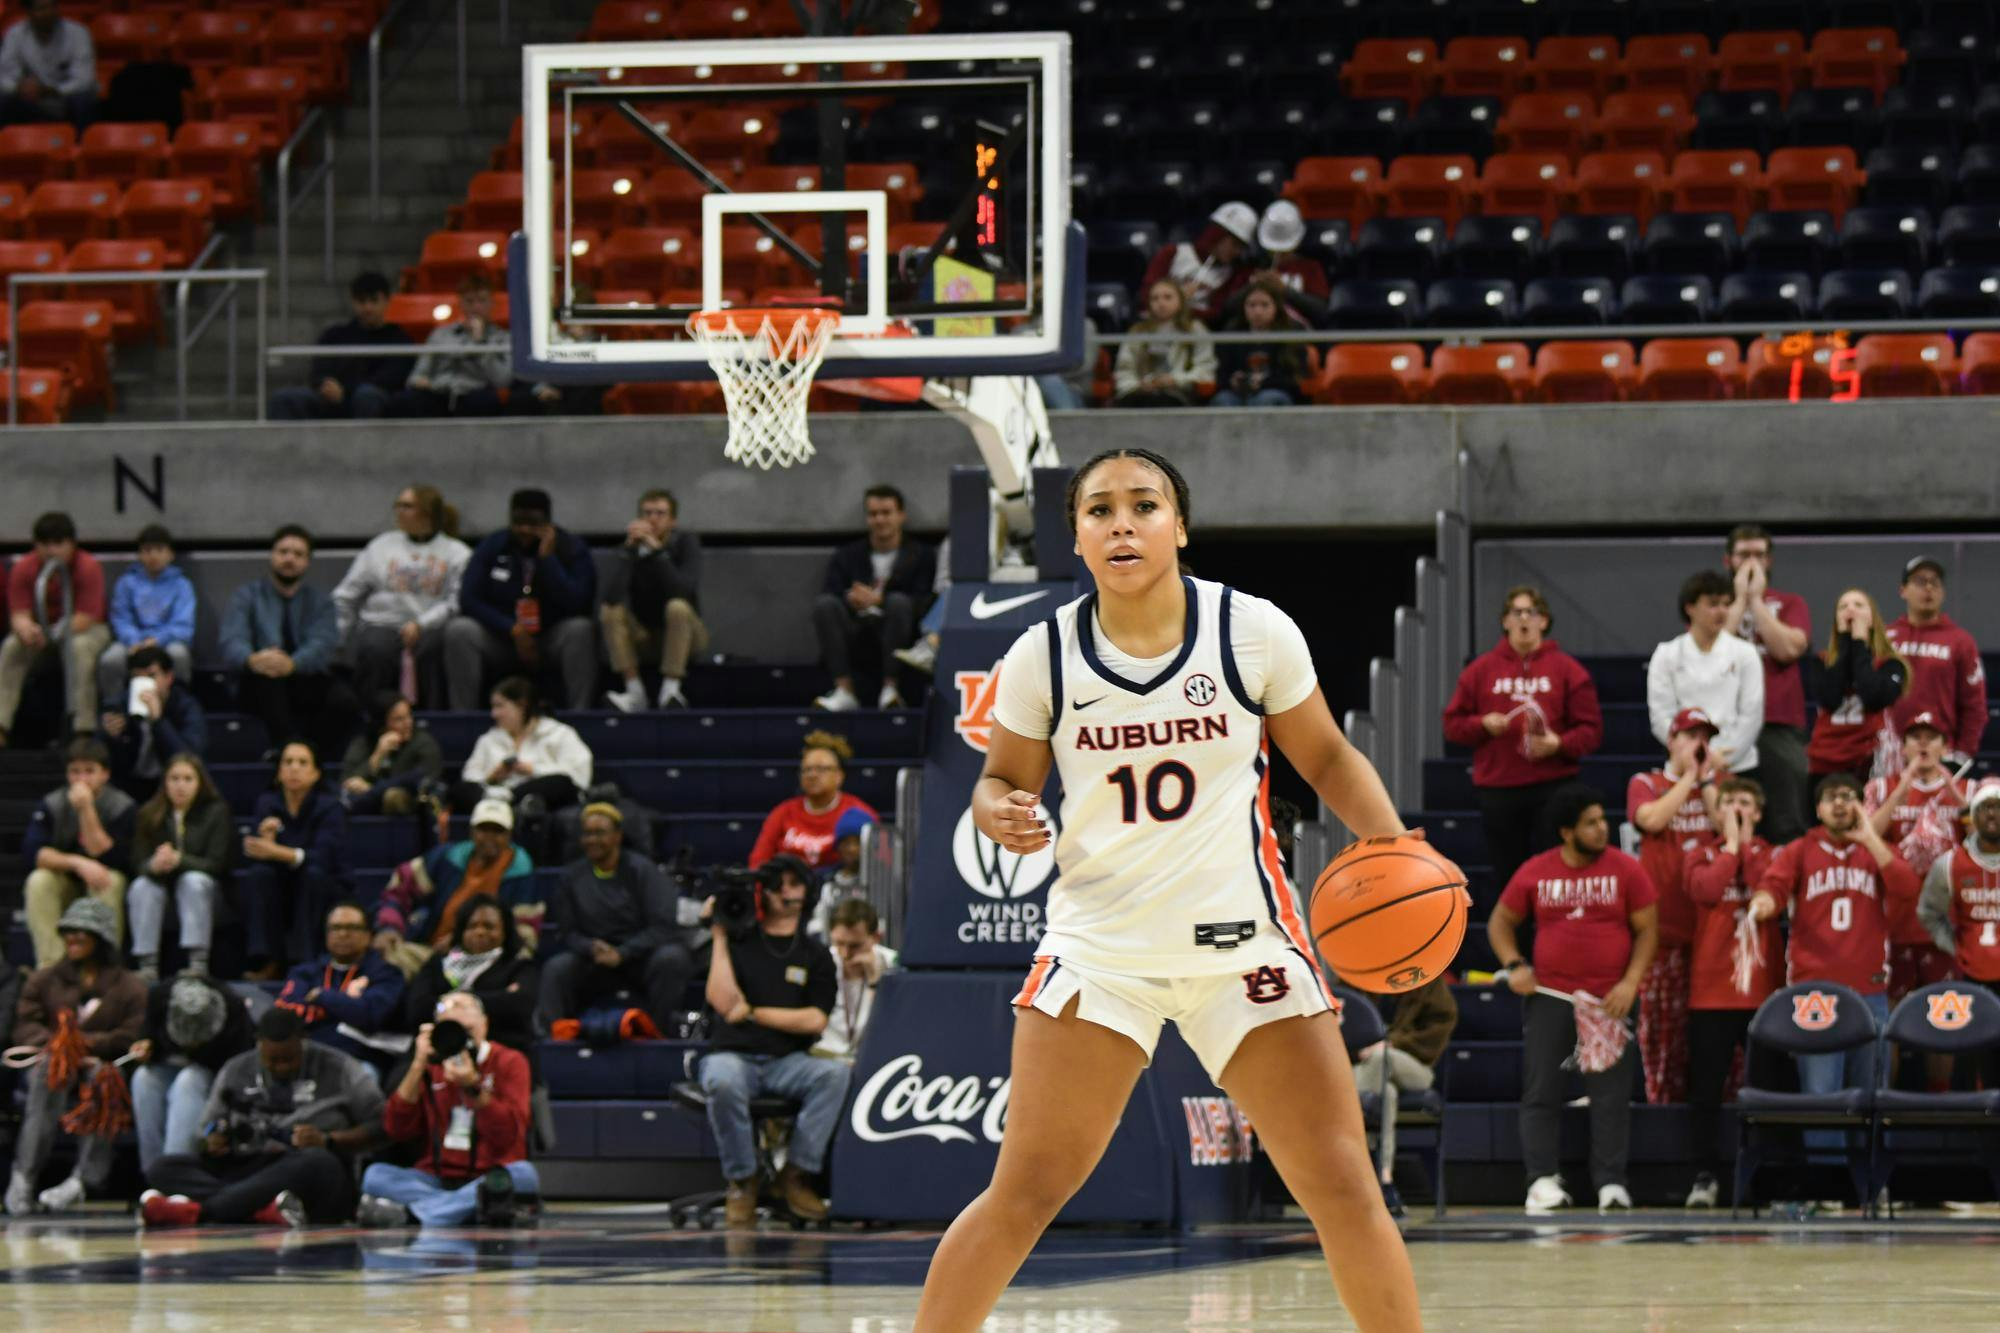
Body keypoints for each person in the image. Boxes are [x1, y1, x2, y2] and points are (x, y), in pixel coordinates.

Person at [914, 449, 1422, 1330]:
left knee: (1342, 1183)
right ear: (1075, 535)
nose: (1122, 522)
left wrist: (1394, 844)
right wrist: (999, 812)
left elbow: (1328, 756)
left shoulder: (1252, 630)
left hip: (1244, 946)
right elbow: (998, 780)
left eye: (1143, 505)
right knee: (1025, 1189)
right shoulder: (1044, 654)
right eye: (1100, 509)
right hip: (1102, 950)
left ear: (1178, 527)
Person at [1487, 786, 1658, 1216]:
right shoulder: (1536, 871)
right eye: (1591, 823)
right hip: (1552, 995)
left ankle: (1612, 1184)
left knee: (1611, 1095)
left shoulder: (1626, 869)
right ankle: (1542, 1181)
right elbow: (1500, 922)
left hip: (1610, 1000)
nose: (1603, 829)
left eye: (1603, 820)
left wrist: (1630, 984)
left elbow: (1649, 931)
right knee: (1542, 1089)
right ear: (1567, 832)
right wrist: (1514, 964)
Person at [1750, 773, 1918, 1105]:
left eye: (1847, 796)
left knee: (1873, 1095)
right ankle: (1829, 1160)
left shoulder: (1879, 851)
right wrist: (1765, 902)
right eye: (1830, 797)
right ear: (1818, 809)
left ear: (1861, 805)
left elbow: (1908, 888)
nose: (1839, 803)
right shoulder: (1799, 850)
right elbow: (1774, 886)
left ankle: (1869, 1160)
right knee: (1821, 1095)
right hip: (1815, 992)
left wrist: (1870, 839)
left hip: (1870, 989)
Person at [699, 855, 847, 1227]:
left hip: (787, 1061)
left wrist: (752, 1012)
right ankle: (742, 1180)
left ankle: (796, 1175)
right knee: (721, 1078)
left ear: (807, 892)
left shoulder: (816, 954)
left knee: (834, 1075)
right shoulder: (740, 940)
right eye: (777, 884)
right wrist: (719, 933)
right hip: (734, 1054)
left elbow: (814, 1019)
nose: (786, 892)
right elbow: (721, 1000)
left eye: (793, 884)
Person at [141, 1006, 385, 1229]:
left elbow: (381, 1126)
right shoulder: (236, 1069)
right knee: (163, 1168)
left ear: (304, 1041)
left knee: (318, 1162)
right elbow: (206, 1128)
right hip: (248, 1164)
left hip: (304, 1169)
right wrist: (212, 1139)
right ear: (259, 1044)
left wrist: (329, 1140)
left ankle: (204, 1211)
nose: (280, 1066)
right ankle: (260, 1210)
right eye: (273, 1060)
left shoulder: (340, 1067)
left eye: (288, 1059)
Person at [1442, 584, 1603, 893]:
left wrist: (1559, 743)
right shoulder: (1480, 671)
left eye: (1533, 612)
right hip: (1499, 788)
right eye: (1517, 612)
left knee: (1555, 875)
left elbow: (1592, 732)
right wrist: (1482, 724)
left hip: (1554, 786)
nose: (1525, 619)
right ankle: (1513, 940)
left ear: (1544, 621)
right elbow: (1452, 725)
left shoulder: (1569, 670)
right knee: (1509, 878)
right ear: (1505, 621)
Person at [5, 898, 144, 1215]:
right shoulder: (44, 979)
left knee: (104, 1078)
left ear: (102, 939)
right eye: (68, 933)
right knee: (49, 1072)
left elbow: (132, 1033)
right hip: (50, 1060)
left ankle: (82, 1180)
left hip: (102, 1063)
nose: (72, 939)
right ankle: (24, 1177)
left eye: (81, 934)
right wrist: (61, 1049)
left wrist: (84, 1047)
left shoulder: (130, 986)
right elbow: (25, 1025)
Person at [1681, 777, 1783, 1208]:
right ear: (1716, 811)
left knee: (1769, 1089)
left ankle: (1767, 1179)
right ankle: (1705, 1176)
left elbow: (1769, 890)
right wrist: (1730, 848)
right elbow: (1705, 891)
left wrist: (1744, 847)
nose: (1738, 809)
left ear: (1758, 813)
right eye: (1730, 803)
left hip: (1764, 993)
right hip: (1711, 992)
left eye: (1746, 802)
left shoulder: (1775, 854)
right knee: (1705, 1091)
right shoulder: (1699, 854)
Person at [358, 990, 539, 1228]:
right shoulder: (431, 1065)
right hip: (435, 1176)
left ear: (484, 1025)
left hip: (489, 1175)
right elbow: (396, 1129)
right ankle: (458, 1209)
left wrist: (473, 1086)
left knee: (524, 1175)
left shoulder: (510, 1061)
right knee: (375, 1176)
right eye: (452, 1031)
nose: (461, 1041)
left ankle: (418, 1214)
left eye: (467, 1031)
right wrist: (417, 1063)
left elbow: (508, 1135)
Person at [1626, 706, 1722, 1106]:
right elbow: (1651, 820)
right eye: (1690, 736)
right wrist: (1688, 779)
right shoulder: (1646, 781)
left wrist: (1710, 781)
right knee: (1660, 1033)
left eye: (1705, 737)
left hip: (1711, 933)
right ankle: (1660, 1112)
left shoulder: (1716, 784)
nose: (1699, 744)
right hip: (1662, 930)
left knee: (1704, 1035)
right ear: (1672, 741)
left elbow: (1723, 826)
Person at [540, 803, 691, 1036]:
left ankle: (659, 1035)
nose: (592, 840)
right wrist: (590, 947)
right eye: (587, 834)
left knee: (672, 959)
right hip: (594, 957)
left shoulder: (643, 871)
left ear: (618, 836)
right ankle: (555, 1037)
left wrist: (624, 952)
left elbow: (663, 926)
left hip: (639, 955)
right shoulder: (571, 877)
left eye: (599, 833)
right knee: (556, 968)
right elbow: (567, 932)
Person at [444, 489, 599, 711]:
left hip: (550, 637)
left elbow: (579, 602)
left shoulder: (571, 548)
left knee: (581, 630)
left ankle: (580, 716)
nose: (525, 529)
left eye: (533, 523)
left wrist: (548, 561)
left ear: (547, 522)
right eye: (518, 522)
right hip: (502, 638)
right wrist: (513, 629)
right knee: (460, 630)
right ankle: (463, 717)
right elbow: (468, 599)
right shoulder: (493, 545)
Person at [219, 525, 360, 761]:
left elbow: (323, 643)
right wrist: (253, 659)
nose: (289, 559)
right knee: (270, 679)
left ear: (307, 562)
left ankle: (306, 753)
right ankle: (288, 754)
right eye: (283, 552)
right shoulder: (246, 596)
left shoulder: (320, 602)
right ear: (272, 556)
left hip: (303, 676)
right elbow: (231, 640)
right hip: (257, 681)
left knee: (345, 702)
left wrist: (292, 664)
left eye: (297, 554)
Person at [1864, 713, 1967, 1015]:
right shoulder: (1880, 788)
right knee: (1891, 1019)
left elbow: (1984, 837)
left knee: (1946, 1017)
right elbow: (1866, 835)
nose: (1922, 742)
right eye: (1914, 737)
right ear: (1903, 746)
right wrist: (1902, 790)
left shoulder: (1967, 789)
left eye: (1931, 737)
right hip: (1893, 922)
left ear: (1944, 747)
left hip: (1945, 924)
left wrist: (1954, 794)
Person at [332, 484, 471, 706]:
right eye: (397, 505)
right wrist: (336, 638)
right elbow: (347, 594)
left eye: (407, 506)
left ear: (426, 512)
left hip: (431, 627)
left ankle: (432, 719)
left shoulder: (457, 553)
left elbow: (456, 601)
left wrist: (421, 624)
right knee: (375, 649)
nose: (398, 511)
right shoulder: (381, 546)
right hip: (383, 624)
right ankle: (371, 721)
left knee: (432, 651)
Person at [374, 797, 540, 976]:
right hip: (431, 952)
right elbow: (400, 887)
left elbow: (526, 933)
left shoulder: (521, 871)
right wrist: (389, 926)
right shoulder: (447, 857)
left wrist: (461, 942)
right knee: (387, 954)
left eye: (498, 831)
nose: (490, 837)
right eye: (483, 830)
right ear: (472, 832)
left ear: (509, 835)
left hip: (487, 960)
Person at [812, 484, 937, 712]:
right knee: (825, 606)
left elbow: (927, 603)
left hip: (901, 632)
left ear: (901, 516)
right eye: (873, 514)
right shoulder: (848, 555)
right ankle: (844, 691)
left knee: (899, 603)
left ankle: (891, 689)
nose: (880, 520)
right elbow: (831, 592)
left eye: (886, 513)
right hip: (856, 631)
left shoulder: (922, 556)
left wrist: (880, 600)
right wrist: (850, 598)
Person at [1722, 526, 1812, 842]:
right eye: (1744, 555)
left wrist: (1756, 602)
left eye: (1759, 555)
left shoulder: (1790, 603)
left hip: (1780, 725)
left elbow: (1787, 649)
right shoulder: (1716, 606)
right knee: (1729, 822)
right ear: (1728, 561)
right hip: (1727, 726)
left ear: (1769, 561)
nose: (1752, 563)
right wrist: (1738, 601)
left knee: (1787, 820)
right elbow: (1713, 653)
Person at [239, 741, 350, 975]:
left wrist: (275, 851)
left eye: (302, 762)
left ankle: (303, 961)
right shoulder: (267, 803)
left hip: (325, 884)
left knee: (312, 875)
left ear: (316, 773)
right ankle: (265, 960)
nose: (294, 768)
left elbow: (323, 857)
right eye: (288, 762)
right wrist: (264, 840)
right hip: (283, 883)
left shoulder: (330, 807)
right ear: (279, 772)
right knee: (260, 875)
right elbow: (254, 851)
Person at [0, 510, 110, 745]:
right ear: (36, 545)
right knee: (12, 646)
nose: (52, 551)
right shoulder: (24, 568)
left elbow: (85, 617)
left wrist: (53, 633)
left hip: (85, 630)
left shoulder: (88, 566)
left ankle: (83, 730)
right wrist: (27, 629)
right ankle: (1, 726)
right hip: (42, 634)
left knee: (79, 648)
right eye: (45, 544)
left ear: (71, 544)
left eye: (59, 544)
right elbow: (18, 614)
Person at [22, 736, 133, 967]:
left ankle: (103, 967)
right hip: (68, 881)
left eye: (89, 771)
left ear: (105, 774)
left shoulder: (121, 806)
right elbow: (34, 853)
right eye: (75, 772)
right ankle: (52, 968)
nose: (81, 779)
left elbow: (113, 857)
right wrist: (77, 863)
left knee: (110, 880)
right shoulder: (53, 803)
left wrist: (86, 809)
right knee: (39, 880)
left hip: (102, 882)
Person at [1918, 777, 2000, 1089]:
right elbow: (1929, 913)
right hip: (1972, 976)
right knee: (1975, 1062)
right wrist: (1954, 947)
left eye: (1999, 807)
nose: (1993, 814)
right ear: (1973, 817)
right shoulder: (1950, 863)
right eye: (1986, 808)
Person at [1351, 979, 1456, 1219]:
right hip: (1364, 1065)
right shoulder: (1355, 975)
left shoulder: (1429, 981)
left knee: (1380, 1059)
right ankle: (1385, 1179)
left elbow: (1439, 1028)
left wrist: (1392, 1043)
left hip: (1414, 1066)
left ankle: (1361, 1168)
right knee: (1387, 1094)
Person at [128, 975, 255, 1173]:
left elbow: (237, 1072)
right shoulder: (160, 997)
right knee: (143, 1078)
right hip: (167, 1067)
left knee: (189, 1080)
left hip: (211, 1076)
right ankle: (152, 1173)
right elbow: (147, 1033)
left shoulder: (234, 1011)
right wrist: (144, 1045)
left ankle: (176, 1173)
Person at [387, 272, 559, 418]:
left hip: (476, 395)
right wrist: (423, 382)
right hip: (439, 393)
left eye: (481, 301)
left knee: (486, 402)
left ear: (492, 304)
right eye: (470, 301)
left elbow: (502, 381)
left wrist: (480, 344)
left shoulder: (503, 339)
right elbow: (417, 376)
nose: (476, 307)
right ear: (460, 304)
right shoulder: (441, 334)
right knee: (403, 401)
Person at [1648, 570, 1764, 782]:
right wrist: (1691, 752)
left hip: (1735, 764)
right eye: (1713, 604)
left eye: (1726, 604)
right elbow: (1661, 717)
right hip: (1684, 765)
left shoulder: (1746, 653)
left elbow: (1752, 714)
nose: (1721, 611)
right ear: (1690, 608)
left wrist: (1721, 756)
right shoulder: (1667, 654)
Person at [127, 752, 230, 982]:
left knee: (193, 880)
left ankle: (197, 962)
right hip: (164, 897)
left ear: (200, 782)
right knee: (142, 886)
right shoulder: (148, 813)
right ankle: (147, 965)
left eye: (187, 779)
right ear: (165, 782)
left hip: (207, 897)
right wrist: (153, 865)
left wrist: (179, 860)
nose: (180, 785)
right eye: (174, 778)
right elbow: (136, 864)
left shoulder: (216, 812)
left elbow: (218, 864)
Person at [602, 488, 708, 712]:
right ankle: (634, 693)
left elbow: (683, 590)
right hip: (646, 637)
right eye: (647, 513)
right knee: (610, 611)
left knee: (677, 607)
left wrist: (659, 553)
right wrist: (628, 552)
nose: (652, 519)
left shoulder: (686, 542)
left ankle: (670, 690)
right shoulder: (630, 549)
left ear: (672, 521)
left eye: (660, 513)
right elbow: (610, 597)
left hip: (687, 637)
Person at [275, 900, 408, 1076]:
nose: (343, 934)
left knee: (366, 1076)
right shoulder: (305, 973)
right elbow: (288, 1013)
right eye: (336, 928)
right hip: (307, 1056)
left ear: (368, 935)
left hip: (359, 1060)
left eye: (352, 927)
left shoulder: (386, 974)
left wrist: (321, 996)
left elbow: (371, 1015)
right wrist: (347, 1004)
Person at [402, 893, 540, 1058]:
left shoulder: (519, 966)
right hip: (437, 1050)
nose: (480, 932)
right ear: (461, 931)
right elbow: (417, 1008)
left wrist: (446, 1002)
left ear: (505, 931)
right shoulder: (438, 964)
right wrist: (489, 999)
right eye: (472, 926)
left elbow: (520, 1005)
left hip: (501, 1051)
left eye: (489, 926)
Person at [267, 272, 413, 420]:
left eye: (374, 301)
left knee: (367, 395)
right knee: (283, 399)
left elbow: (392, 378)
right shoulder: (335, 335)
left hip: (374, 401)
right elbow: (319, 370)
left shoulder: (399, 338)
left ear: (387, 301)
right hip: (331, 399)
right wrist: (327, 385)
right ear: (353, 302)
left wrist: (346, 391)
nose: (368, 308)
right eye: (361, 301)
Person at [1885, 556, 1986, 769]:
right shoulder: (1885, 638)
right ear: (1903, 590)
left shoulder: (1961, 641)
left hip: (1940, 755)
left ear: (1942, 592)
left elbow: (1974, 705)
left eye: (1935, 582)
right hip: (1889, 753)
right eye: (1920, 581)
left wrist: (1962, 755)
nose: (1929, 588)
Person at [1807, 588, 1909, 787]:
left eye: (1859, 605)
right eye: (1843, 607)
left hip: (1869, 763)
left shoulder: (1891, 664)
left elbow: (1873, 696)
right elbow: (1830, 698)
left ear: (1872, 618)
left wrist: (1860, 643)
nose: (1850, 610)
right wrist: (1845, 643)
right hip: (1825, 763)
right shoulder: (1822, 662)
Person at [452, 676, 593, 817]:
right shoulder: (488, 739)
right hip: (492, 796)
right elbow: (469, 776)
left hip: (538, 799)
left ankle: (510, 801)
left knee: (560, 783)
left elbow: (579, 776)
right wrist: (492, 776)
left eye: (500, 706)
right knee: (459, 789)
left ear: (522, 705)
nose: (494, 714)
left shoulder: (560, 733)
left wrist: (532, 769)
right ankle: (501, 801)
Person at [748, 730, 877, 872]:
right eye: (807, 769)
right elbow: (758, 861)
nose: (812, 775)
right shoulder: (783, 812)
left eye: (821, 769)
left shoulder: (860, 813)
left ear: (839, 776)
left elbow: (880, 863)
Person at [98, 523, 195, 704]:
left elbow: (183, 626)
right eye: (147, 550)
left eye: (159, 549)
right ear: (140, 554)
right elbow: (120, 619)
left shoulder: (182, 585)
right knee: (111, 660)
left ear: (170, 554)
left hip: (166, 643)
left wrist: (157, 640)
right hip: (132, 643)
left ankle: (178, 706)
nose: (153, 555)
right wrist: (135, 641)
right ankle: (114, 709)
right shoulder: (126, 583)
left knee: (179, 655)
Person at [100, 643, 208, 799]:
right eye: (137, 678)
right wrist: (111, 737)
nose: (144, 684)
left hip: (171, 786)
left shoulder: (186, 707)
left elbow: (190, 759)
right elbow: (102, 759)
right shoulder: (118, 705)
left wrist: (159, 721)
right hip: (129, 787)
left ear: (168, 677)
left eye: (151, 676)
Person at [1216, 199, 1331, 328]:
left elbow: (1321, 312)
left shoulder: (1310, 268)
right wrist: (1252, 287)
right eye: (1272, 249)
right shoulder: (1251, 268)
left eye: (1285, 249)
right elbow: (1225, 311)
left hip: (1295, 336)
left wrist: (1285, 291)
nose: (1278, 253)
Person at [1137, 200, 1256, 325]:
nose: (1237, 252)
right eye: (1235, 245)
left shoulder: (1231, 273)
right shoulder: (1172, 253)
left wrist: (1176, 307)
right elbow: (1147, 293)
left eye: (1241, 248)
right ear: (1218, 235)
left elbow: (1215, 313)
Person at [811, 896, 899, 1063]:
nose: (845, 953)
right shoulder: (821, 963)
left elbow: (890, 1027)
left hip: (873, 1058)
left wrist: (874, 980)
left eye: (855, 945)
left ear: (876, 938)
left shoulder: (894, 965)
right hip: (825, 1056)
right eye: (839, 943)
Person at [1111, 279, 1217, 408]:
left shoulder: (1195, 329)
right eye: (1155, 299)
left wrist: (1176, 380)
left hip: (1180, 394)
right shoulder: (1137, 332)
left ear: (1180, 301)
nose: (1161, 303)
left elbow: (1205, 370)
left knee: (1164, 401)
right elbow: (1124, 369)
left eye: (1168, 297)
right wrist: (1137, 386)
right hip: (1139, 394)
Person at [339, 689, 445, 816]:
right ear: (382, 723)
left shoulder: (423, 743)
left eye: (409, 716)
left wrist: (373, 790)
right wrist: (377, 757)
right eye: (399, 719)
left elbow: (424, 780)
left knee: (393, 797)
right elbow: (347, 783)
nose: (408, 723)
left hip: (411, 808)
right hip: (364, 806)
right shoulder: (364, 743)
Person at [1210, 277, 1309, 408]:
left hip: (1277, 391)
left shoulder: (1292, 332)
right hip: (1237, 393)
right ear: (1243, 307)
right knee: (1223, 401)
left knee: (1264, 400)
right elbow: (1221, 375)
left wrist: (1263, 383)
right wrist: (1233, 381)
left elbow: (1295, 378)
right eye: (1252, 305)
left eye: (1264, 305)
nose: (1257, 312)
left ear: (1276, 307)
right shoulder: (1232, 333)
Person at [0, 0, 96, 129]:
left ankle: (80, 145)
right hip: (29, 99)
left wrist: (50, 90)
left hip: (64, 97)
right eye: (41, 8)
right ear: (29, 13)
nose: (48, 13)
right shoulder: (15, 34)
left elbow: (84, 80)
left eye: (52, 7)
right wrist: (19, 87)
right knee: (3, 100)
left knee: (84, 100)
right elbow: (4, 76)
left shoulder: (78, 33)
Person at [806, 806, 874, 940]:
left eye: (858, 842)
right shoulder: (823, 880)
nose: (852, 849)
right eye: (845, 842)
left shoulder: (882, 880)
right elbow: (814, 924)